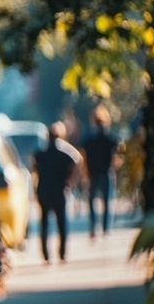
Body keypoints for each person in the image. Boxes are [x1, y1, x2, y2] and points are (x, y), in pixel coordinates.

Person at [33, 122, 81, 264]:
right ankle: (62, 254)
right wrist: (71, 180)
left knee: (44, 224)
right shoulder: (65, 153)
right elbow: (78, 159)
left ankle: (46, 255)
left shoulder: (39, 154)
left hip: (43, 191)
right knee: (62, 223)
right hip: (60, 191)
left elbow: (33, 169)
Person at [82, 104, 120, 236]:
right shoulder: (110, 137)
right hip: (106, 172)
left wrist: (85, 172)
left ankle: (93, 225)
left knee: (91, 200)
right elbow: (118, 152)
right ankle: (105, 228)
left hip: (92, 172)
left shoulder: (89, 138)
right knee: (107, 201)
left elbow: (84, 156)